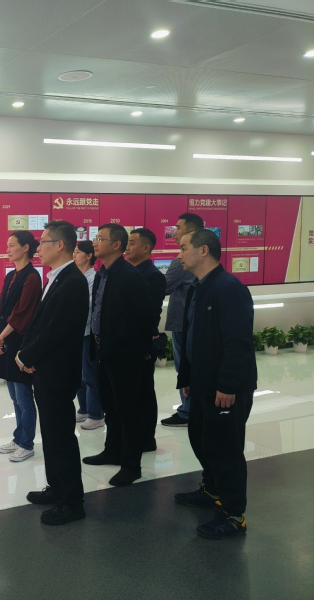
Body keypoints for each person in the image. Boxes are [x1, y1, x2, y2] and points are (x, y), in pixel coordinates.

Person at [174, 229, 256, 539]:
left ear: (203, 250)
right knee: (202, 439)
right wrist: (187, 377)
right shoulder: (199, 287)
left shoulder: (229, 288)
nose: (179, 254)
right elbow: (192, 335)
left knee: (225, 449)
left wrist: (228, 385)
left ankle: (234, 514)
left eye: (184, 248)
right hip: (202, 382)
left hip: (225, 387)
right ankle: (212, 491)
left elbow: (238, 342)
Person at [18, 220, 89, 525]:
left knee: (61, 437)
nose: (38, 248)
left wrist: (26, 356)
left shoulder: (72, 281)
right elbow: (40, 325)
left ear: (60, 245)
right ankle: (57, 487)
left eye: (43, 242)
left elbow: (55, 331)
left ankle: (72, 502)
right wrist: (27, 354)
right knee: (49, 433)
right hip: (47, 370)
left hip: (58, 372)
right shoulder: (57, 278)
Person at [82, 224, 153, 486]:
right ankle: (112, 450)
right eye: (95, 238)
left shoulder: (129, 275)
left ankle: (131, 465)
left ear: (116, 245)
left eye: (100, 239)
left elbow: (146, 317)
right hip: (103, 349)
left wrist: (138, 350)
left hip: (124, 353)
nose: (95, 242)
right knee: (110, 406)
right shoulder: (102, 273)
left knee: (127, 409)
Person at [0, 231, 42, 462]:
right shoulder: (11, 275)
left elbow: (23, 313)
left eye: (12, 245)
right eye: (8, 245)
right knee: (14, 395)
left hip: (19, 342)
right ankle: (18, 437)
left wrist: (1, 336)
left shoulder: (32, 277)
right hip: (5, 340)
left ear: (26, 248)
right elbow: (0, 306)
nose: (8, 249)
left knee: (23, 396)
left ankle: (26, 443)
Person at [124, 228, 166, 451]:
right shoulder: (130, 272)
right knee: (132, 392)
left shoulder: (152, 275)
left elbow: (150, 314)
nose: (127, 247)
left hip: (141, 344)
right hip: (128, 343)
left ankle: (147, 438)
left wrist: (144, 345)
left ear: (146, 247)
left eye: (132, 243)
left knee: (144, 392)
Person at [161, 213, 204, 427]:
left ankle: (187, 412)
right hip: (188, 320)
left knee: (184, 368)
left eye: (178, 227)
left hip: (181, 322)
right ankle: (192, 410)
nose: (174, 232)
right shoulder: (198, 258)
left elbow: (164, 286)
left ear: (190, 231)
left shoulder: (181, 261)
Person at [72, 240, 104, 430]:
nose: (74, 255)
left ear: (89, 256)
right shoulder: (76, 277)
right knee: (78, 374)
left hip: (87, 333)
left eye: (78, 252)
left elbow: (88, 307)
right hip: (75, 333)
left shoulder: (93, 278)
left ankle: (96, 414)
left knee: (90, 375)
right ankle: (83, 409)